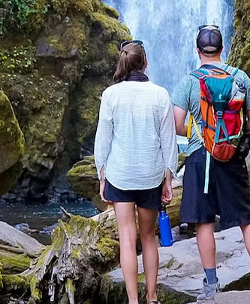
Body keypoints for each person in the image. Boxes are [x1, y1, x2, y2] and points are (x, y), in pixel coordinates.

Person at [172, 25, 250, 299]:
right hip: (231, 155)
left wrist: (198, 131)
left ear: (197, 51)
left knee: (204, 222)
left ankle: (211, 285)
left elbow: (176, 124)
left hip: (199, 156)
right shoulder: (240, 77)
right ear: (222, 48)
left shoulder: (189, 81)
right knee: (246, 218)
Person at [94, 40, 178, 304]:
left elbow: (102, 140)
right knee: (149, 238)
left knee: (128, 241)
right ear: (145, 63)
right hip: (150, 175)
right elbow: (169, 141)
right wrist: (169, 177)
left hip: (120, 175)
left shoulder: (110, 95)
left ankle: (133, 301)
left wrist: (102, 176)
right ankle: (151, 298)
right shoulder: (160, 94)